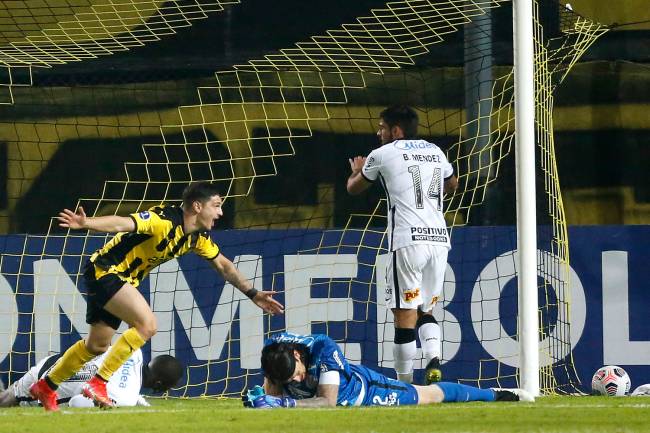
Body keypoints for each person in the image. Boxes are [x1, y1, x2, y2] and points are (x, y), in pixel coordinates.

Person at [29, 181, 284, 411]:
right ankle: (98, 383)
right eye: (216, 206)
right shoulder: (162, 219)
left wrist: (252, 293)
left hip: (120, 278)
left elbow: (224, 266)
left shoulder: (197, 238)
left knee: (97, 346)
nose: (220, 212)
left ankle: (46, 386)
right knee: (147, 325)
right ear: (197, 206)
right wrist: (86, 224)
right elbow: (121, 222)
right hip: (105, 270)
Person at [346, 105, 458, 385]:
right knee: (426, 311)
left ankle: (404, 382)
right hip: (439, 240)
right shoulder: (435, 150)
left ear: (396, 130)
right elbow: (452, 183)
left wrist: (356, 171)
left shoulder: (381, 154)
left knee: (404, 314)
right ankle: (433, 358)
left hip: (408, 241)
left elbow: (354, 189)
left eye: (382, 127)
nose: (378, 132)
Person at [242, 332, 534, 408]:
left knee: (430, 395)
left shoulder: (323, 348)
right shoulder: (273, 352)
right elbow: (274, 389)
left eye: (297, 372)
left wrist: (282, 402)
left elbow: (327, 402)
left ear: (298, 354)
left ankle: (495, 394)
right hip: (328, 393)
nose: (296, 379)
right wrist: (264, 401)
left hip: (364, 392)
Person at [1, 349, 182, 408]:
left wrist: (135, 397)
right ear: (159, 384)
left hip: (58, 362)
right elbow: (76, 403)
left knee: (10, 392)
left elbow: (121, 375)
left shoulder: (134, 351)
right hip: (50, 387)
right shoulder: (124, 398)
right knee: (5, 401)